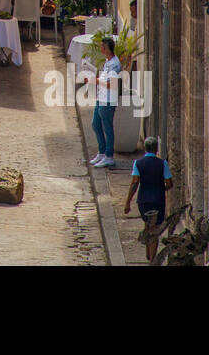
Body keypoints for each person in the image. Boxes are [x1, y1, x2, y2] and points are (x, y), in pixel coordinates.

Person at [124, 136, 174, 262]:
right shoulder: (163, 164)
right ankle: (152, 259)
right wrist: (162, 188)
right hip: (158, 200)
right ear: (156, 149)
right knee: (155, 229)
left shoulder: (138, 163)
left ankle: (148, 255)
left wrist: (127, 202)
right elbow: (169, 183)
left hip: (143, 200)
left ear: (145, 149)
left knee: (147, 224)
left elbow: (135, 183)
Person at [91, 36, 121, 169]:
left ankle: (109, 156)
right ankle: (102, 152)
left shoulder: (115, 64)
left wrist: (96, 81)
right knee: (95, 124)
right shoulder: (107, 61)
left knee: (107, 128)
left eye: (102, 46)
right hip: (101, 98)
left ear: (107, 48)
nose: (101, 48)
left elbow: (112, 84)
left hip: (108, 100)